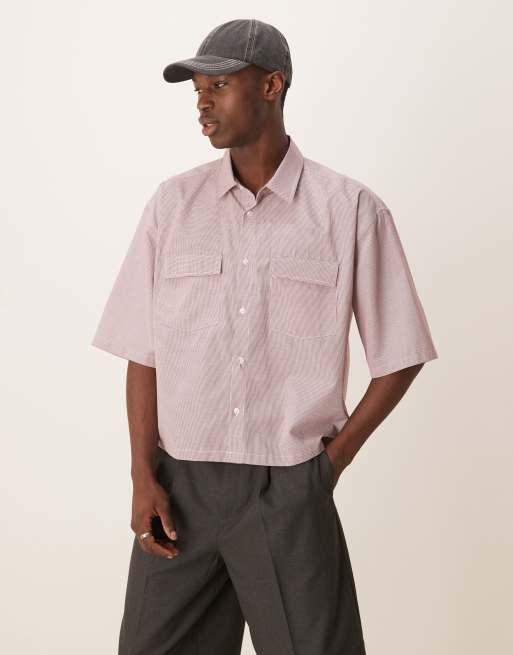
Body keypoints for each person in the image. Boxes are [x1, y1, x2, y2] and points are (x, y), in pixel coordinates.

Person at [91, 18, 438, 655]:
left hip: (288, 486)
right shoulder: (173, 206)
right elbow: (143, 350)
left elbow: (401, 353)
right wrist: (142, 474)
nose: (203, 102)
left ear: (272, 85)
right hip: (180, 492)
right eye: (198, 89)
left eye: (220, 85)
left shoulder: (349, 210)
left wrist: (325, 468)